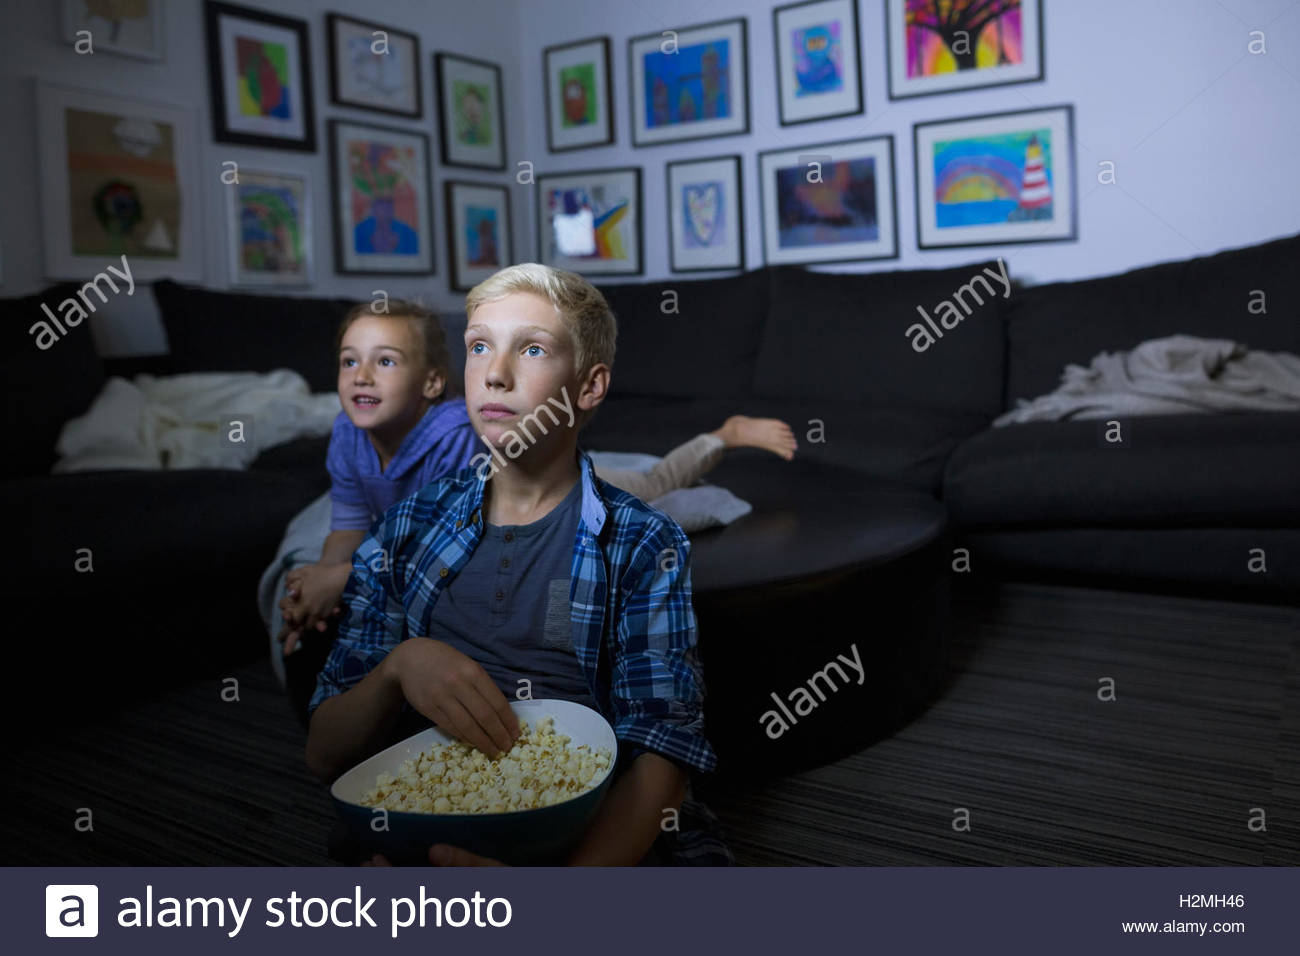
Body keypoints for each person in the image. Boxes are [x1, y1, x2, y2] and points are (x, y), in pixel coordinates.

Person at [304, 263, 736, 866]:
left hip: (591, 835)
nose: (495, 374)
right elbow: (324, 755)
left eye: (532, 349)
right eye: (479, 346)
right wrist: (399, 667)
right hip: (426, 824)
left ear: (589, 386)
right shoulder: (404, 530)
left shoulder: (644, 543)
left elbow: (662, 750)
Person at [274, 300, 480, 725]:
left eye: (385, 361)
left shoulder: (457, 438)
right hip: (394, 552)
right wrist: (315, 588)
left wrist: (342, 577)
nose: (361, 376)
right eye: (349, 361)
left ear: (431, 382)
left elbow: (438, 554)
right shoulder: (347, 431)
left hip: (460, 548)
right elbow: (348, 525)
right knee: (315, 637)